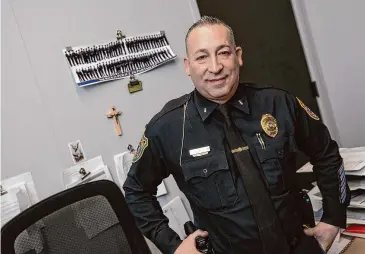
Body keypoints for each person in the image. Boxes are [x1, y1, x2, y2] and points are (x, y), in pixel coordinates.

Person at [123, 16, 350, 254]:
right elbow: (136, 191)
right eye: (202, 57)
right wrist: (174, 246)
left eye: (223, 53)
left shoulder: (279, 103)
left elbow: (326, 154)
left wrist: (334, 217)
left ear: (238, 55)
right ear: (188, 66)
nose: (215, 67)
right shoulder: (167, 127)